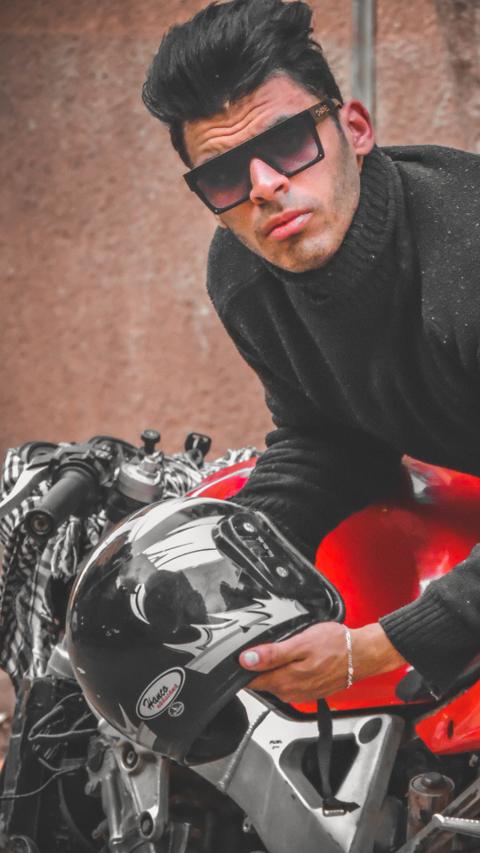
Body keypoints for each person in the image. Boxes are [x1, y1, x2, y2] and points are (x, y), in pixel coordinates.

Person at [142, 0, 480, 703]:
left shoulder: (467, 250)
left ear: (355, 128)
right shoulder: (244, 279)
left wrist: (371, 649)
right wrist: (222, 563)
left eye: (290, 142)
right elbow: (331, 440)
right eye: (225, 175)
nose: (265, 186)